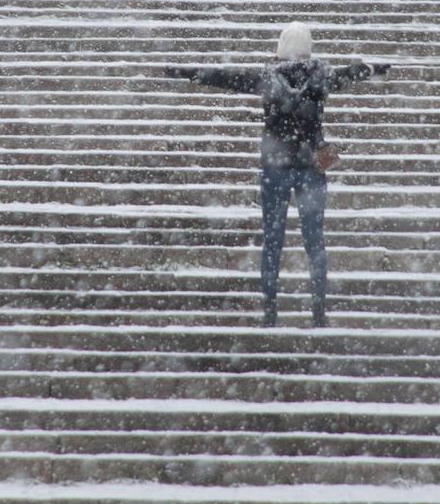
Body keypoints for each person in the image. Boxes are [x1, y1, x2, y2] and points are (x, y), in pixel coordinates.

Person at [166, 21, 389, 328]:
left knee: (273, 242)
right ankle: (319, 311)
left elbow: (226, 78)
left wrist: (186, 72)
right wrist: (374, 67)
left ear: (280, 49)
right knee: (315, 242)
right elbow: (350, 73)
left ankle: (270, 311)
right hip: (310, 169)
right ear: (308, 48)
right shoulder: (321, 76)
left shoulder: (267, 78)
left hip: (275, 168)